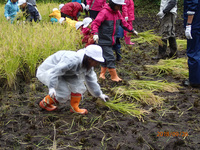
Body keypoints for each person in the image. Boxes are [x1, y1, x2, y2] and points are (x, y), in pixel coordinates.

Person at [36, 45, 109, 114]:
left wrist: (99, 94)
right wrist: (52, 87)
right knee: (63, 92)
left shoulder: (87, 65)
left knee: (78, 87)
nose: (97, 64)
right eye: (96, 62)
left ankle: (74, 108)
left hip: (67, 72)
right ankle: (45, 103)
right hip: (50, 70)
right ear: (90, 59)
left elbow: (91, 80)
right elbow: (55, 72)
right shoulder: (72, 61)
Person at [91, 0, 138, 82]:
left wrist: (132, 30)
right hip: (103, 39)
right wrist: (95, 33)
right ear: (113, 4)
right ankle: (114, 76)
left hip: (111, 39)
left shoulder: (117, 13)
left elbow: (123, 23)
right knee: (110, 57)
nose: (120, 8)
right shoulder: (104, 12)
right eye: (118, 6)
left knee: (105, 58)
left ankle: (102, 74)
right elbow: (95, 23)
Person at [182, 1, 200, 87]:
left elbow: (192, 5)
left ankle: (195, 80)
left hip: (195, 24)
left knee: (193, 51)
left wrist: (189, 24)